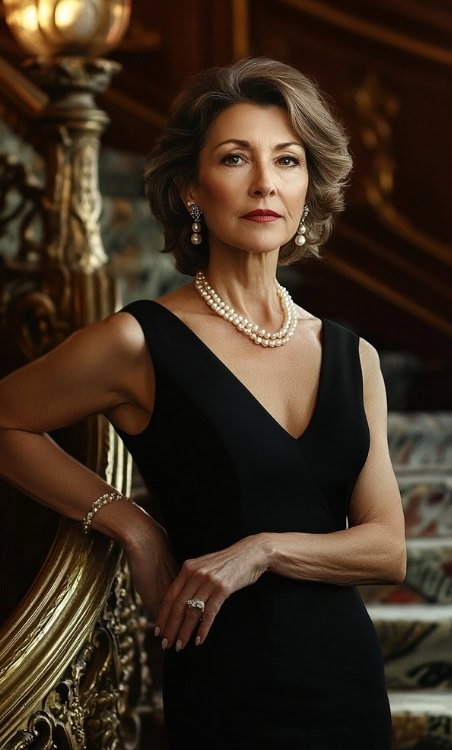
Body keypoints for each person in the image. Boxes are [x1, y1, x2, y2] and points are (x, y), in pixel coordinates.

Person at [0, 57, 406, 749]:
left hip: (348, 684)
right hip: (228, 682)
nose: (264, 184)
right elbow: (6, 418)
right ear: (192, 187)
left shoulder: (352, 356)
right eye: (234, 158)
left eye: (287, 160)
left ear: (308, 188)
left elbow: (386, 547)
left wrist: (264, 551)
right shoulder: (138, 341)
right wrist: (129, 522)